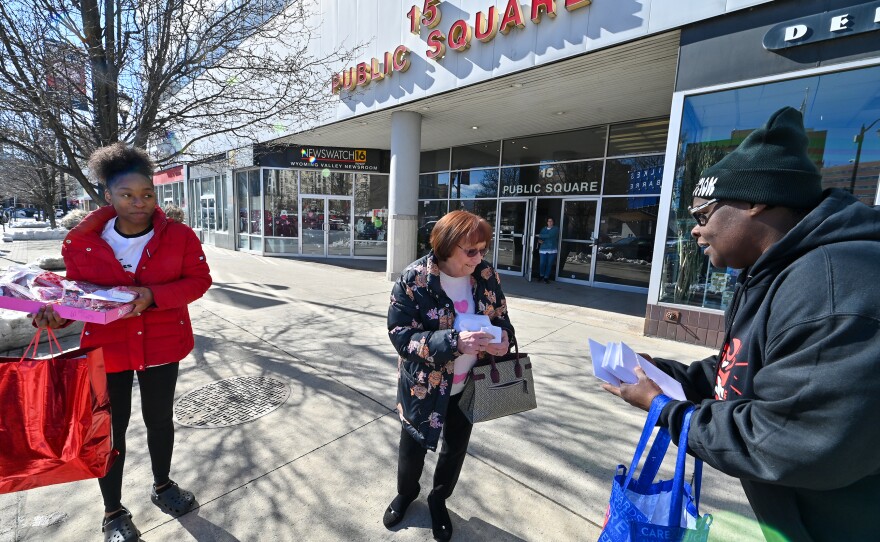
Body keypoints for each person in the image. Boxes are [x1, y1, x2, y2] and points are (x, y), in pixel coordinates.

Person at [603, 107, 880, 541]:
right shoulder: (771, 272)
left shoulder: (833, 287)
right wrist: (663, 375)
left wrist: (667, 411)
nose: (695, 231)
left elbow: (788, 441)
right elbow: (743, 367)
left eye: (702, 215)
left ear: (754, 201)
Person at [32, 143, 212, 542]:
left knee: (160, 420)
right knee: (109, 431)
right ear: (108, 196)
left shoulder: (179, 236)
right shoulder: (80, 243)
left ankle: (163, 485)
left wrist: (152, 296)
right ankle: (113, 512)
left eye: (147, 194)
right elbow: (77, 299)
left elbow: (199, 281)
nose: (139, 202)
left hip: (162, 345)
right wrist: (54, 312)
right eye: (127, 195)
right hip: (106, 349)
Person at [384, 210, 515, 541]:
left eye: (483, 249)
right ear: (445, 246)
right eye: (471, 251)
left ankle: (438, 499)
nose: (479, 257)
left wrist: (504, 340)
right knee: (412, 447)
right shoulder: (414, 279)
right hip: (424, 387)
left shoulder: (486, 275)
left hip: (471, 383)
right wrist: (454, 342)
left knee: (455, 448)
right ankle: (406, 493)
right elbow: (401, 336)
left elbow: (502, 318)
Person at [535, 217, 559, 283]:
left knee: (549, 264)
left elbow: (549, 235)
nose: (550, 222)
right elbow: (540, 238)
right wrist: (540, 240)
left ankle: (546, 277)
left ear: (553, 222)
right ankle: (541, 275)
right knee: (542, 263)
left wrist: (539, 235)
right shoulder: (543, 229)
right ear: (547, 222)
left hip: (552, 249)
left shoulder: (556, 229)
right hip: (543, 249)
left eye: (551, 221)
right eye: (548, 221)